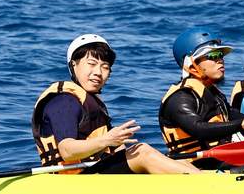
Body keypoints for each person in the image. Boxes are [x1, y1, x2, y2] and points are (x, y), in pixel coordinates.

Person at [32, 34, 199, 175]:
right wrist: (107, 140)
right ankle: (205, 184)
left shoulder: (90, 104)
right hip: (70, 180)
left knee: (163, 157)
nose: (98, 72)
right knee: (141, 151)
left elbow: (104, 151)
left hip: (92, 173)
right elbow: (67, 151)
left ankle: (206, 177)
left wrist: (116, 147)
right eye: (91, 64)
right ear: (73, 65)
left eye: (105, 67)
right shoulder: (64, 101)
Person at [158, 27, 244, 163]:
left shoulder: (214, 95)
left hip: (219, 163)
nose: (220, 60)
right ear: (191, 65)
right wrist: (241, 124)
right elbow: (198, 128)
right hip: (192, 167)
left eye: (221, 55)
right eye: (213, 56)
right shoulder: (180, 98)